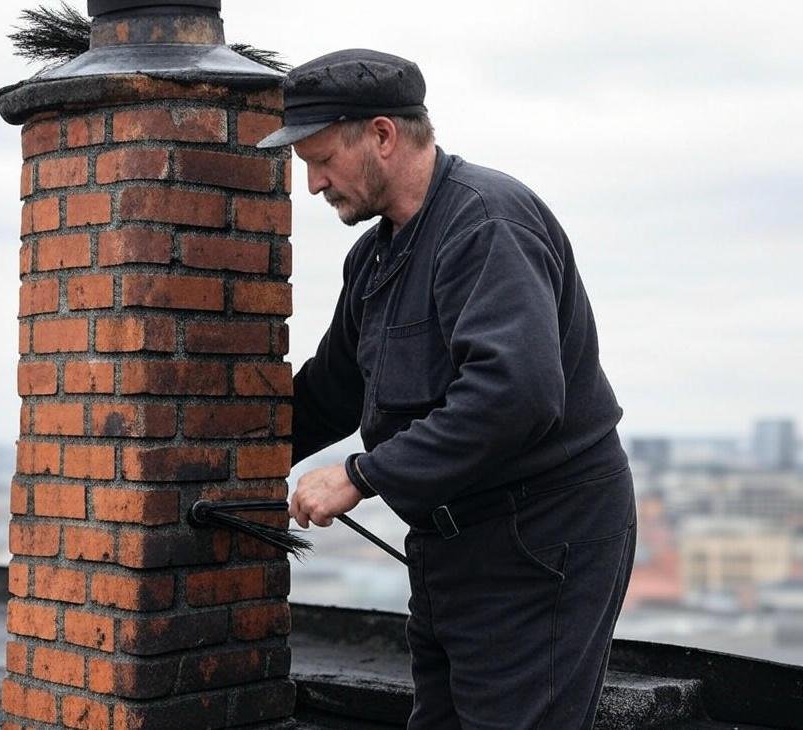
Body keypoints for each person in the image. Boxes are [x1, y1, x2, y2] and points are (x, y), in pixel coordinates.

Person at [257, 49, 638, 729]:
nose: (312, 184)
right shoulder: (375, 256)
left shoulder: (487, 222)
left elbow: (515, 393)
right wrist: (223, 449)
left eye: (320, 160)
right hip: (449, 547)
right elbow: (332, 392)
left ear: (381, 134)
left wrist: (360, 474)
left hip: (539, 540)